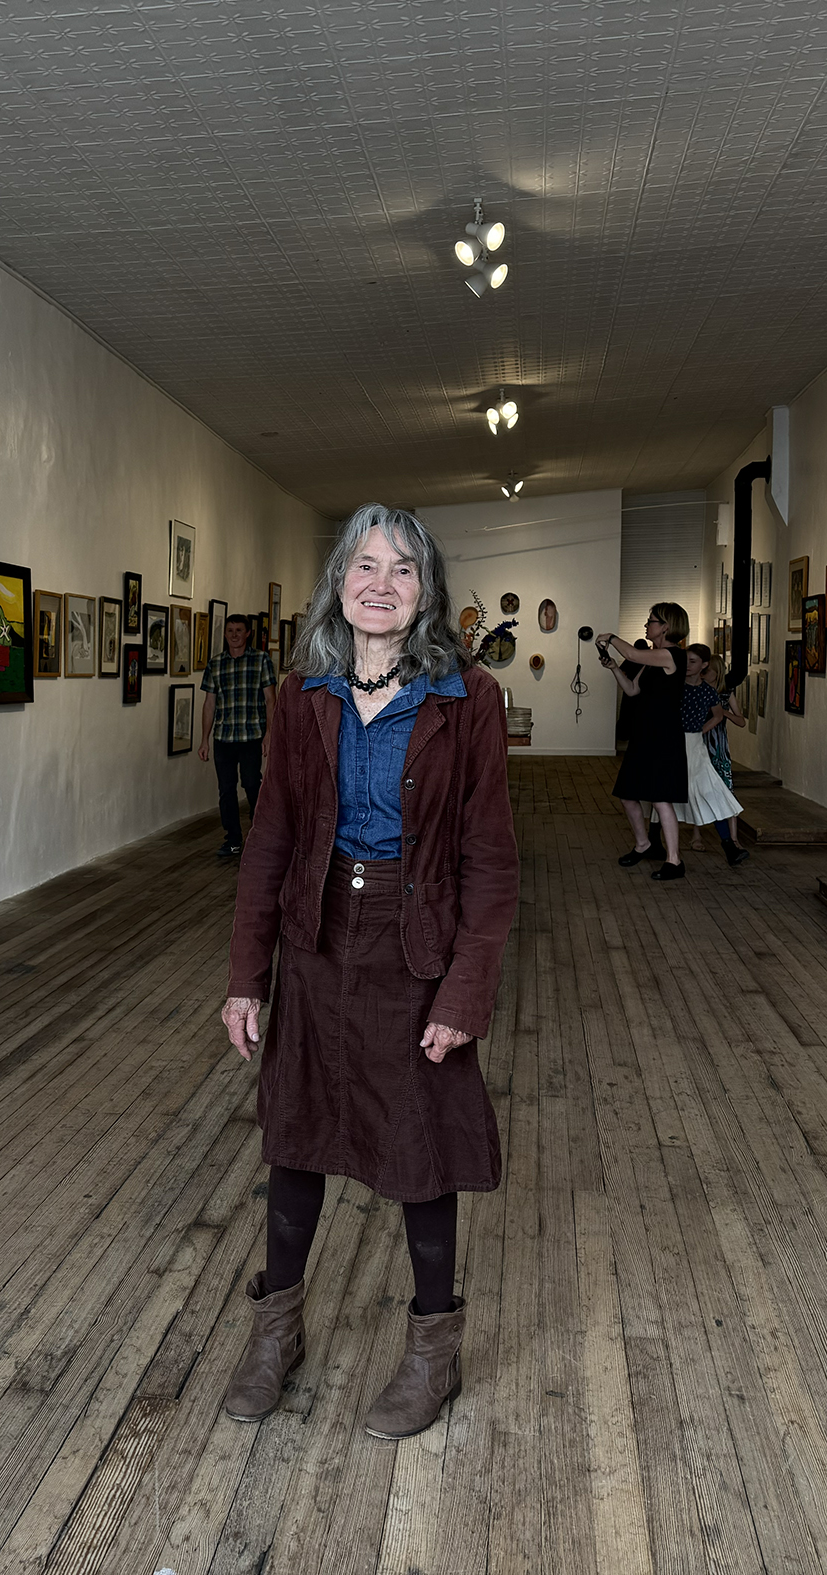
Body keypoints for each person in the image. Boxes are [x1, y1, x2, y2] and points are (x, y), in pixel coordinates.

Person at [219, 503, 517, 1442]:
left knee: (419, 1146)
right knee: (296, 1136)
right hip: (316, 936)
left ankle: (434, 1350)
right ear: (338, 581)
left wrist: (466, 989)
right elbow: (269, 840)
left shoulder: (465, 698)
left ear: (426, 592)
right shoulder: (302, 691)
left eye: (402, 569)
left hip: (413, 939)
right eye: (364, 564)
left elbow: (490, 861)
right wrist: (246, 975)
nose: (380, 583)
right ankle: (277, 1331)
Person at [597, 604, 689, 880]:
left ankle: (674, 861)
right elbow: (632, 689)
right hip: (644, 735)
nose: (646, 626)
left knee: (661, 799)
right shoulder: (652, 660)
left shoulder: (671, 656)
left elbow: (632, 653)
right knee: (627, 794)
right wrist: (614, 667)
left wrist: (611, 638)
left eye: (651, 621)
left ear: (666, 626)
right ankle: (643, 844)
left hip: (663, 737)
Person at [199, 613, 280, 856]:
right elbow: (209, 704)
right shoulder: (216, 664)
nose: (234, 635)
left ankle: (260, 836)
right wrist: (204, 738)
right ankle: (232, 839)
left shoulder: (260, 660)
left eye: (238, 630)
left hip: (251, 735)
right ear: (225, 634)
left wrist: (269, 733)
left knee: (253, 785)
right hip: (223, 737)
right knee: (226, 789)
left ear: (248, 634)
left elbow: (270, 700)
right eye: (230, 630)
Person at [677, 644, 749, 866]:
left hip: (695, 744)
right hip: (675, 743)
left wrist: (698, 730)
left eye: (693, 662)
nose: (688, 666)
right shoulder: (676, 686)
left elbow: (718, 715)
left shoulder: (707, 691)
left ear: (704, 665)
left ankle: (728, 844)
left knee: (710, 790)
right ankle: (654, 841)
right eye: (686, 661)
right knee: (667, 794)